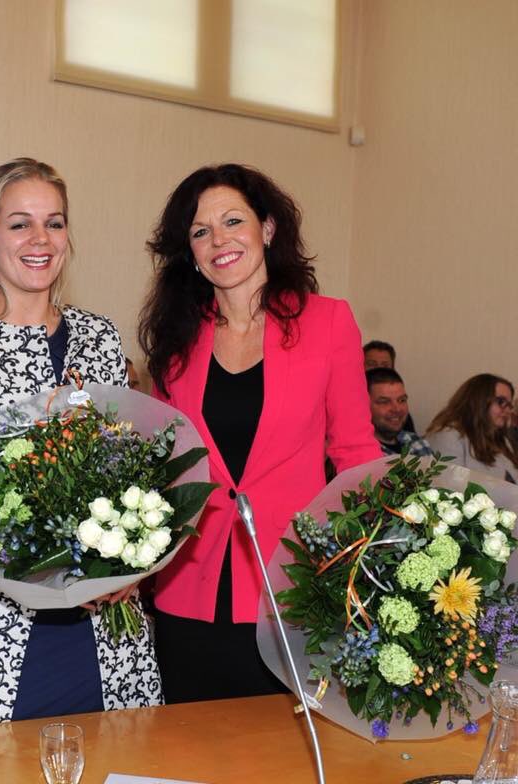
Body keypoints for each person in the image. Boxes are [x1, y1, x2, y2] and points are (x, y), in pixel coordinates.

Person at [0, 158, 162, 730]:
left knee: (108, 757)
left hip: (100, 616)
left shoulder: (98, 335)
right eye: (20, 223)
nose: (40, 239)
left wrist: (126, 562)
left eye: (55, 222)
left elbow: (126, 471)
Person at [138, 163, 381, 703]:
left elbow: (355, 452)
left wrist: (372, 562)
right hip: (187, 589)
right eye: (201, 232)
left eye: (232, 221)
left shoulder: (329, 322)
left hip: (294, 587)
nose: (218, 240)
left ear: (267, 229)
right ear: (190, 253)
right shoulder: (175, 341)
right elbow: (159, 469)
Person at [426, 374, 518, 483]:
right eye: (501, 402)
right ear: (478, 400)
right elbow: (447, 489)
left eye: (509, 405)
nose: (507, 411)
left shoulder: (501, 440)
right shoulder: (448, 436)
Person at [366, 367, 432, 456]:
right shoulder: (361, 455)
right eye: (384, 402)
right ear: (364, 406)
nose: (397, 409)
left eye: (401, 400)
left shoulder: (417, 443)